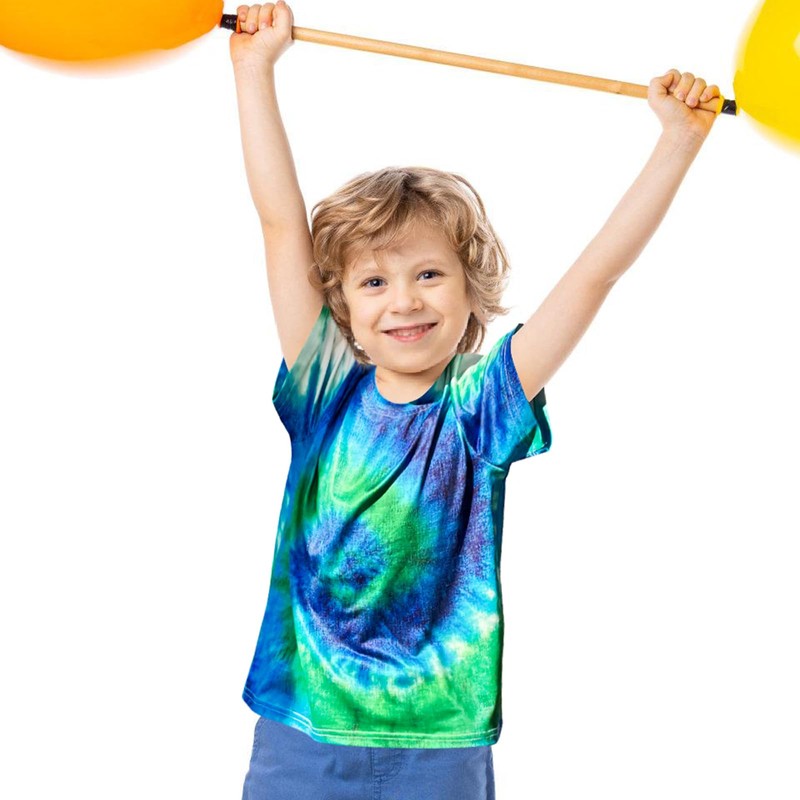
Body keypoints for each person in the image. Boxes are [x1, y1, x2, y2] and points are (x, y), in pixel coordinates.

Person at [229, 3, 720, 798]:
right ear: (341, 303)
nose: (404, 301)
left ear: (469, 290)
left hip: (440, 744)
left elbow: (593, 275)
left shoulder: (480, 409)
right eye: (374, 281)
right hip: (302, 730)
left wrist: (678, 142)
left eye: (429, 274)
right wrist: (254, 71)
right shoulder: (325, 389)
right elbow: (281, 225)